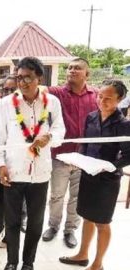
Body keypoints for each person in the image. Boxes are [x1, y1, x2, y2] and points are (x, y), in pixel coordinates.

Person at [0, 57, 65, 270]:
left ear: (39, 78)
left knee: (35, 222)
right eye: (19, 77)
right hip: (14, 171)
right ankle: (12, 262)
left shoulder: (52, 102)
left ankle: (28, 263)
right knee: (11, 221)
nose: (22, 83)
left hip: (40, 173)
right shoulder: (6, 104)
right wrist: (1, 164)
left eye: (27, 78)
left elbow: (61, 131)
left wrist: (49, 136)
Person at [59, 79, 130, 270]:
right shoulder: (91, 117)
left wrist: (110, 166)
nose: (101, 101)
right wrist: (79, 159)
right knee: (87, 216)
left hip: (107, 180)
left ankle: (98, 264)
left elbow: (128, 154)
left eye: (108, 98)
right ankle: (82, 255)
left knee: (102, 222)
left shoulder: (124, 125)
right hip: (88, 174)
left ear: (120, 99)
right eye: (100, 96)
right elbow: (84, 143)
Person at [42, 58, 99, 248]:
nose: (72, 71)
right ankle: (53, 226)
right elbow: (38, 90)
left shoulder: (96, 95)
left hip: (84, 158)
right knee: (57, 195)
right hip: (60, 155)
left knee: (77, 196)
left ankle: (70, 230)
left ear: (87, 74)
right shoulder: (56, 93)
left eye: (77, 68)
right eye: (70, 68)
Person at [0, 75, 18, 248]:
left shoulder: (25, 108)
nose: (8, 93)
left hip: (17, 161)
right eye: (5, 89)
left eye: (12, 89)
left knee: (13, 202)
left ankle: (9, 233)